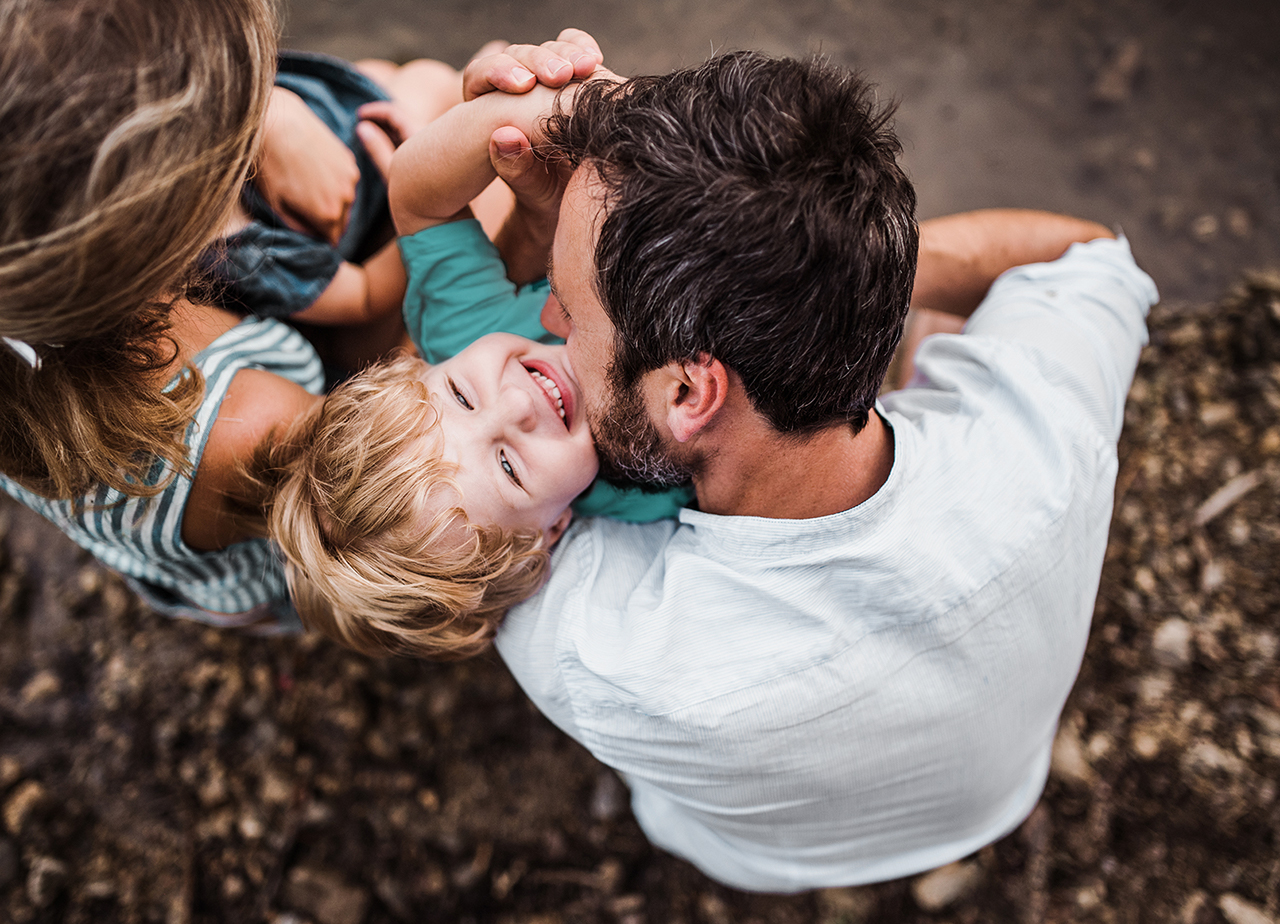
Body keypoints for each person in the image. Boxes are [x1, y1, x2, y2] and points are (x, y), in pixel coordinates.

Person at [456, 49, 1160, 890]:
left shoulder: (608, 655)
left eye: (568, 312)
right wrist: (822, 284)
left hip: (758, 860)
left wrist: (508, 223)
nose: (542, 318)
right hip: (1004, 786)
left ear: (689, 391)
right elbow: (1087, 258)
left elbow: (432, 454)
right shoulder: (1048, 433)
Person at [0, 0, 598, 629]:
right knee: (402, 116)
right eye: (232, 142)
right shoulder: (248, 426)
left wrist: (272, 118)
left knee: (375, 102)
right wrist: (451, 158)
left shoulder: (50, 272)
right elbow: (386, 505)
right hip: (269, 538)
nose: (517, 406)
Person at [263, 70, 690, 657]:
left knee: (475, 77)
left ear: (423, 367)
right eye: (510, 469)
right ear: (551, 533)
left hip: (618, 161)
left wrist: (574, 109)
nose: (515, 403)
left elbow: (416, 194)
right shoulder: (647, 493)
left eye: (462, 395)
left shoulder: (461, 329)